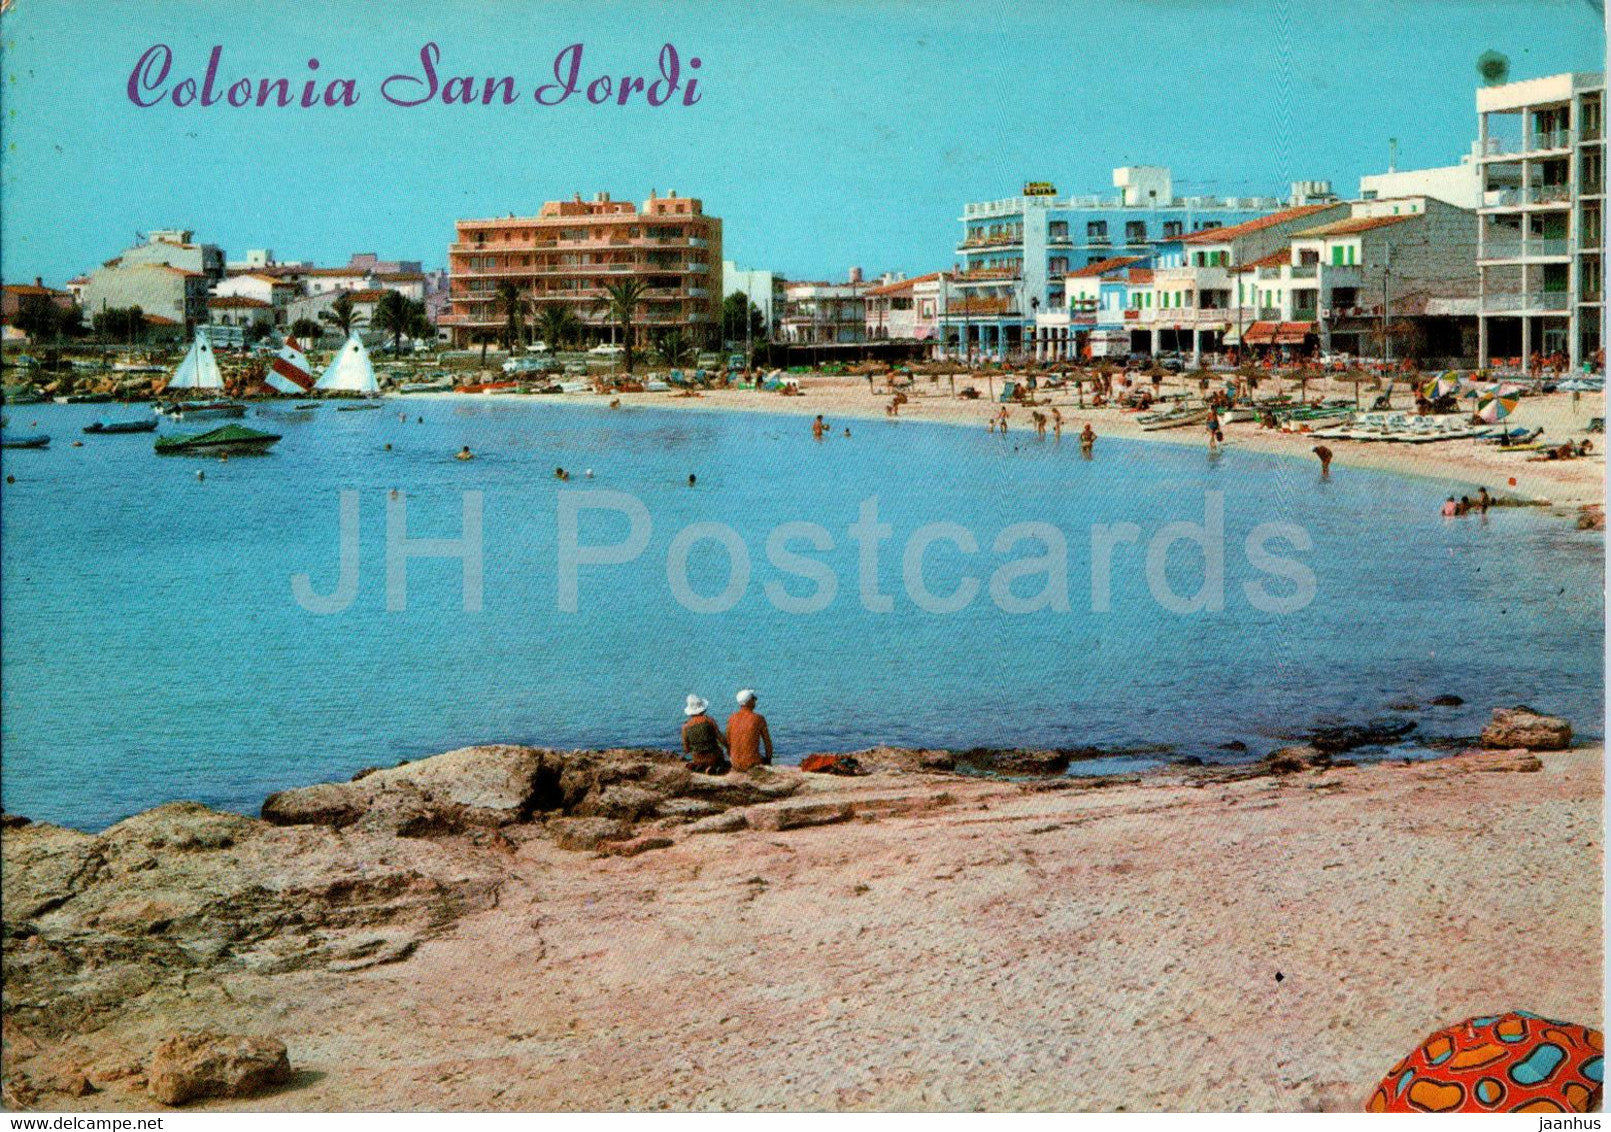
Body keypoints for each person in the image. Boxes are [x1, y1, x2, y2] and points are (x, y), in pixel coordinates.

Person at [725, 689, 774, 771]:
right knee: (762, 758)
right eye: (754, 699)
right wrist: (768, 761)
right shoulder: (759, 718)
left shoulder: (731, 718)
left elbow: (728, 742)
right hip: (751, 764)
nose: (755, 701)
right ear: (749, 702)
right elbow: (767, 743)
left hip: (735, 763)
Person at [681, 695, 728, 774]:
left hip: (698, 758)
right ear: (702, 709)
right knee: (719, 756)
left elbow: (686, 749)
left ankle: (702, 766)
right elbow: (721, 738)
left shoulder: (685, 727)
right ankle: (715, 766)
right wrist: (729, 747)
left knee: (696, 758)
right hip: (713, 756)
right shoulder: (709, 720)